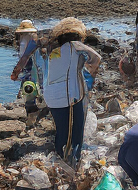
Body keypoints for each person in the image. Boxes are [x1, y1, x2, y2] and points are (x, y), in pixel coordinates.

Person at [42, 18, 101, 166]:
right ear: (76, 36)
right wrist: (90, 73)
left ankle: (60, 164)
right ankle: (72, 163)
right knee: (76, 131)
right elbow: (96, 58)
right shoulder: (75, 45)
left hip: (51, 95)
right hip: (69, 95)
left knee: (61, 131)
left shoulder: (53, 50)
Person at [10, 21, 42, 127]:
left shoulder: (33, 39)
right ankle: (32, 120)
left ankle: (31, 122)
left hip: (31, 68)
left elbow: (25, 57)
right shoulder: (25, 37)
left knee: (29, 93)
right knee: (28, 92)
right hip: (28, 69)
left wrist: (15, 72)